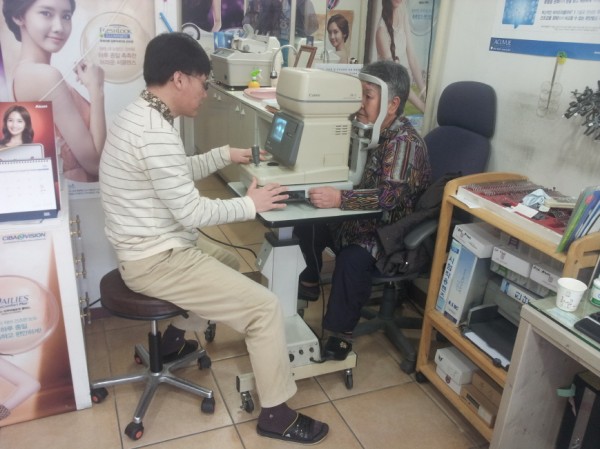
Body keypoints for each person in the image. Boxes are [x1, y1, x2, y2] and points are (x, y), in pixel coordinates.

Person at [99, 32, 329, 445]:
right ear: (179, 78)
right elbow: (191, 211)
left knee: (227, 261)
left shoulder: (141, 115)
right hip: (156, 258)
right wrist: (251, 205)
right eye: (204, 83)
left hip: (150, 246)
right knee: (264, 308)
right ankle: (276, 415)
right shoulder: (154, 132)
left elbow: (174, 172)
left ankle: (171, 344)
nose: (205, 93)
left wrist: (224, 154)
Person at [295, 60, 431, 336]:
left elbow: (388, 196)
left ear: (392, 104)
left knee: (351, 261)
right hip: (360, 219)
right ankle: (309, 282)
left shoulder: (404, 144)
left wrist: (339, 199)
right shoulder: (370, 131)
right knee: (306, 222)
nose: (360, 103)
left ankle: (338, 336)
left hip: (389, 234)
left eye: (367, 96)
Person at [3, 0, 106, 182]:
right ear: (19, 16)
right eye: (46, 13)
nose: (59, 27)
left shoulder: (21, 72)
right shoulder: (44, 76)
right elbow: (96, 164)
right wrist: (96, 89)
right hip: (74, 194)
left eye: (66, 16)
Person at [375, 0, 427, 114]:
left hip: (401, 90)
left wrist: (424, 91)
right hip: (387, 96)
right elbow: (397, 79)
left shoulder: (402, 10)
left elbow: (412, 56)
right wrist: (423, 107)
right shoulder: (381, 31)